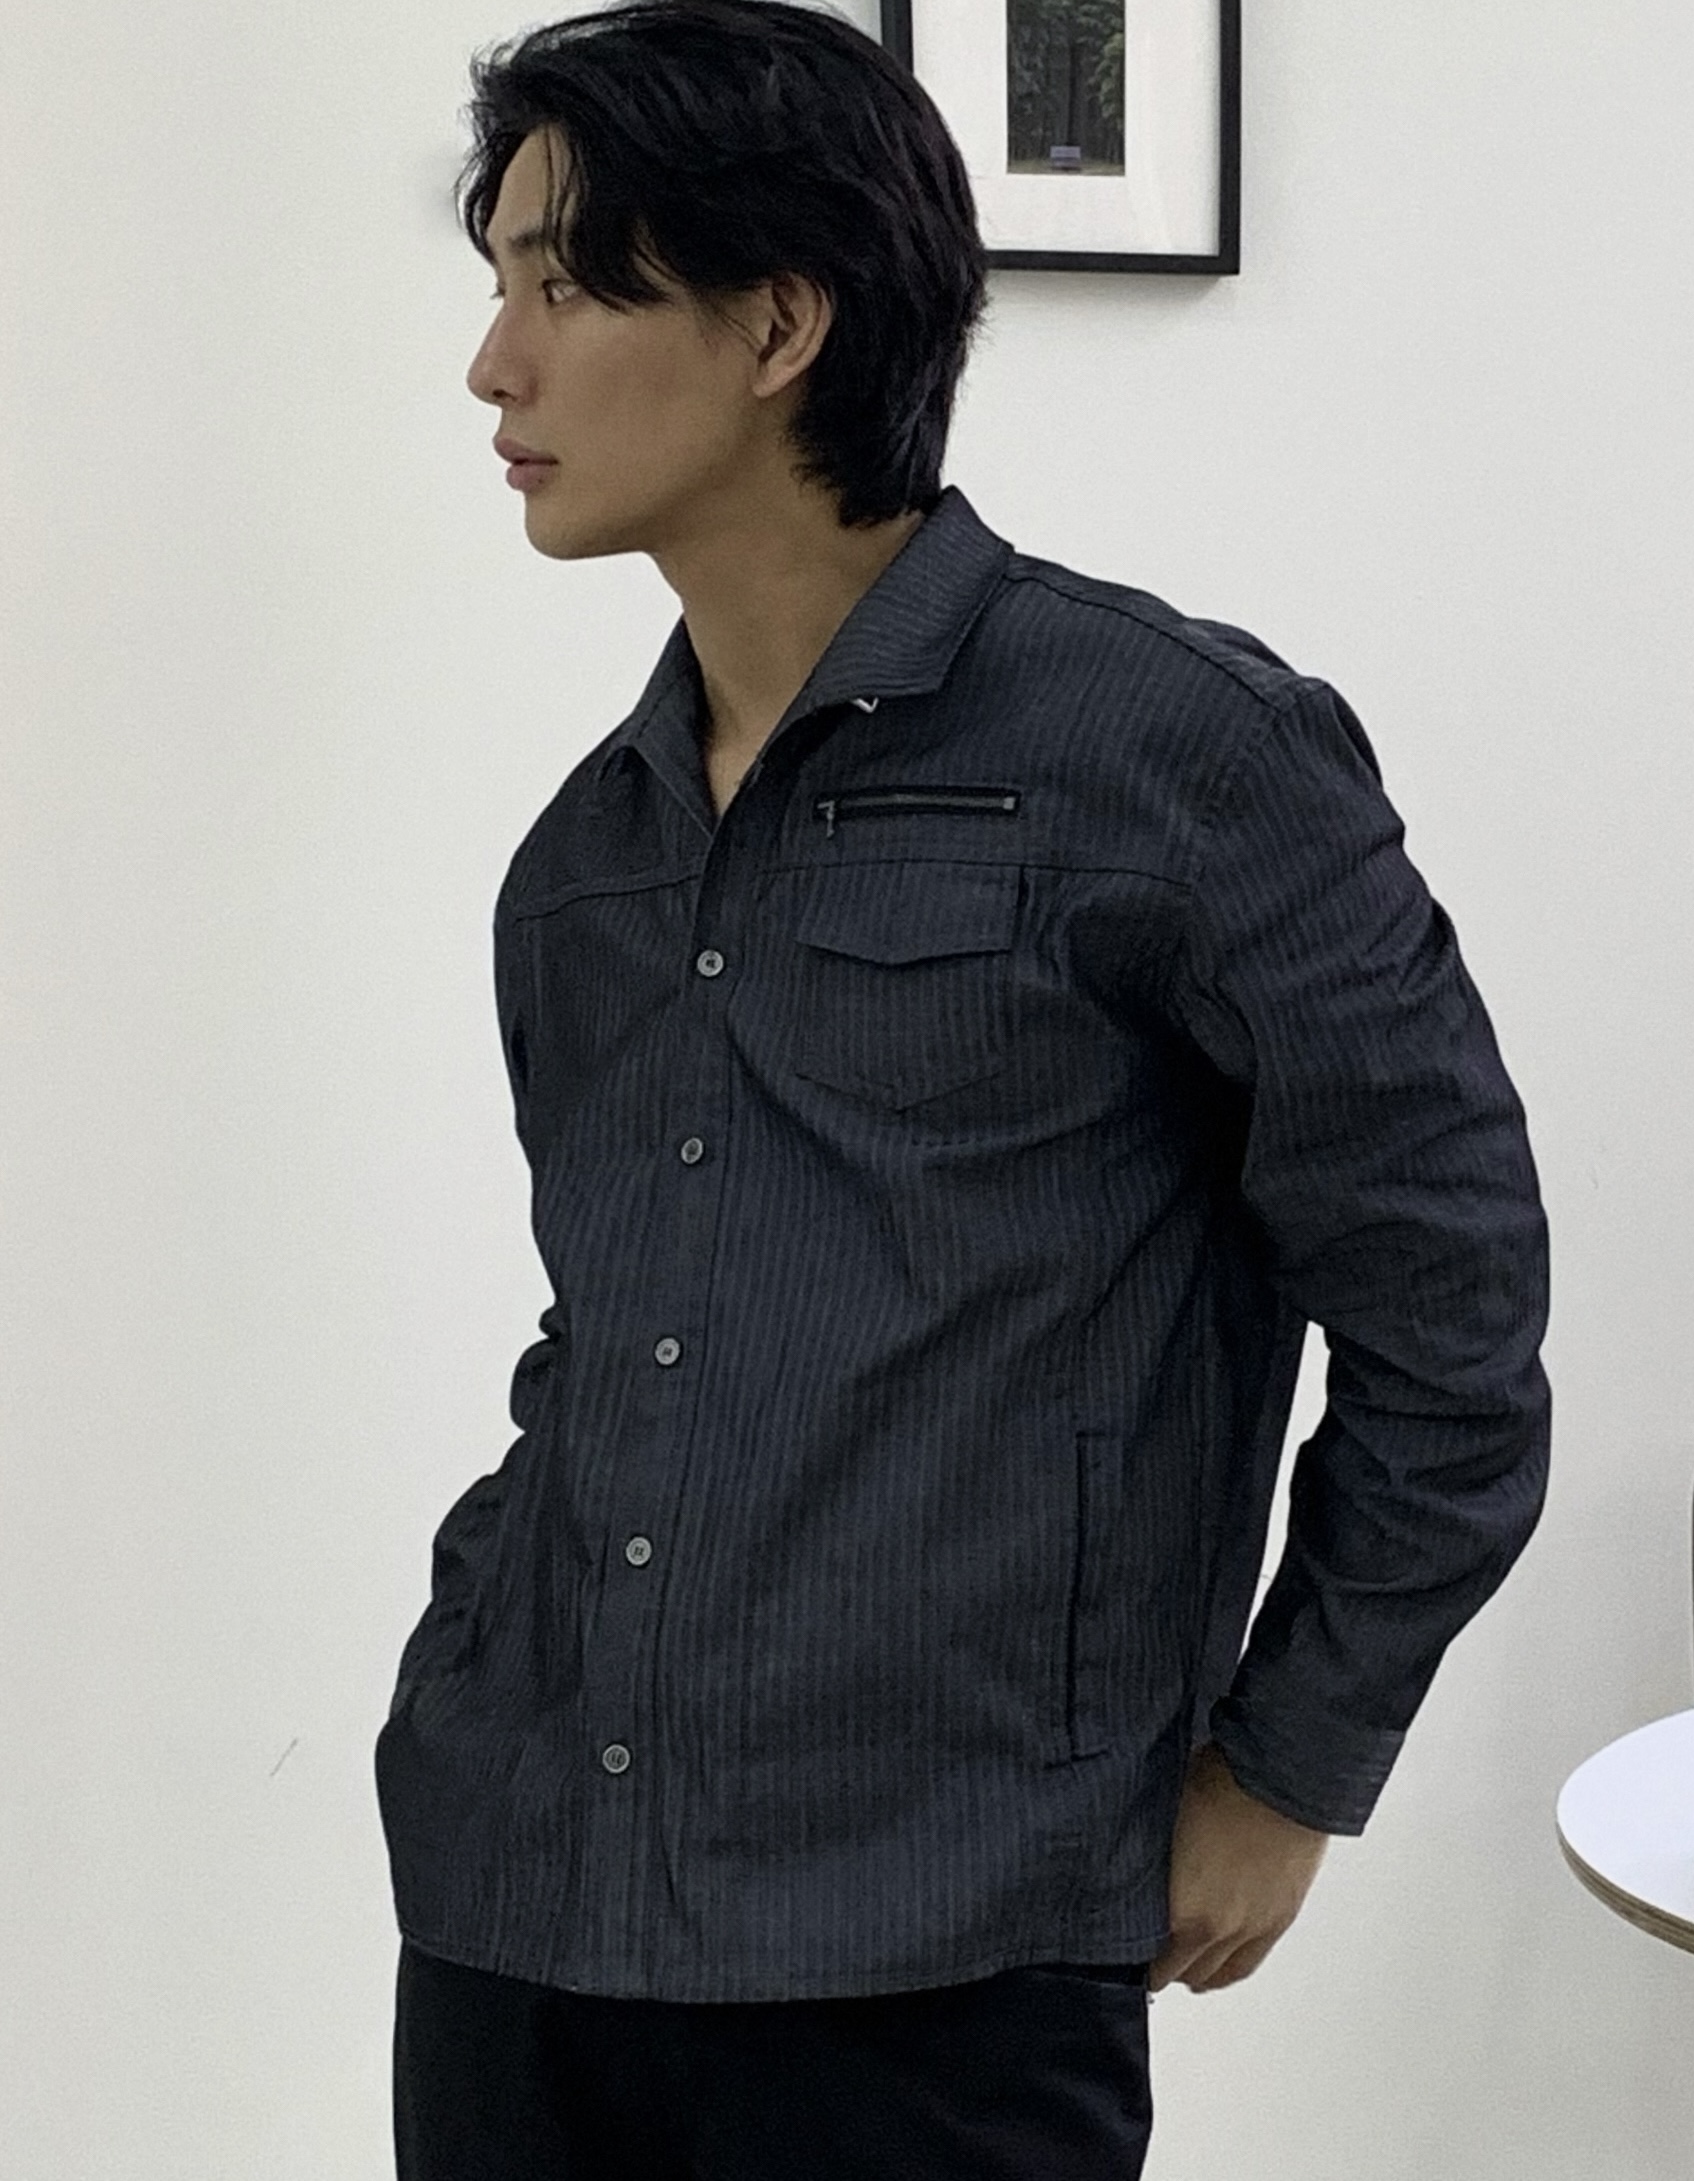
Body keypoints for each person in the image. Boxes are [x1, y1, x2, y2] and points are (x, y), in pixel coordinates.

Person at [375, 4, 1551, 2176]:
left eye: (559, 286)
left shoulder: (1180, 753)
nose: (492, 366)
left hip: (940, 1947)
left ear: (777, 323)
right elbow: (615, 1334)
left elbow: (1451, 1322)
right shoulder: (587, 861)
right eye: (498, 287)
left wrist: (1289, 1764)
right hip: (517, 1906)